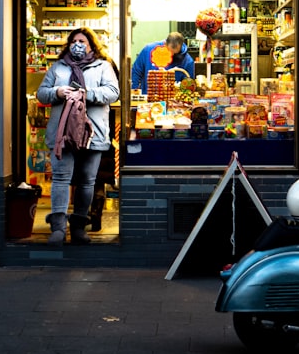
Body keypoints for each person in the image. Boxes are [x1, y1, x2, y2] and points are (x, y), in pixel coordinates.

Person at [36, 27, 120, 246]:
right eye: (74, 41)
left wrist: (87, 94)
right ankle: (58, 228)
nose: (77, 44)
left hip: (92, 134)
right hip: (62, 134)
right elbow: (41, 93)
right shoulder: (58, 67)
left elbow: (113, 92)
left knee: (87, 182)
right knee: (61, 179)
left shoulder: (103, 66)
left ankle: (79, 227)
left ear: (91, 44)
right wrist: (57, 92)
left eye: (82, 40)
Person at [131, 31, 195, 95]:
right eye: (169, 52)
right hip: (148, 98)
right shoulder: (148, 51)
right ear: (165, 44)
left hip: (173, 101)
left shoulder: (187, 61)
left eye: (175, 54)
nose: (171, 55)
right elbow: (136, 72)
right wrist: (134, 93)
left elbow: (188, 89)